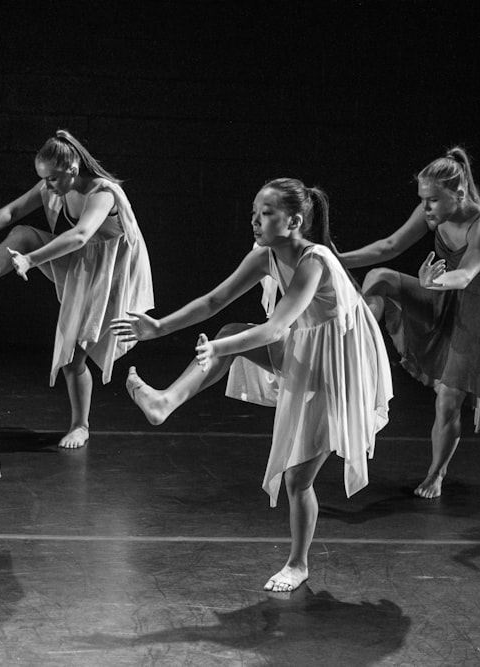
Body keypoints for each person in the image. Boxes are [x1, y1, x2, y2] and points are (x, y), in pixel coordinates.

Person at [110, 178, 392, 592]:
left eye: (266, 214)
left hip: (338, 365)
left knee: (297, 480)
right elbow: (212, 301)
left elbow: (275, 327)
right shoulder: (265, 256)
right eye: (254, 214)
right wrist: (158, 327)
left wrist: (220, 347)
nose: (256, 222)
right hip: (304, 346)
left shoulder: (315, 261)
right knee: (228, 327)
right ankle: (165, 402)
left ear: (294, 221)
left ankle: (298, 564)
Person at [338, 147, 480, 499]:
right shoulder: (433, 211)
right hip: (442, 294)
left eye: (432, 200)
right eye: (423, 200)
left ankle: (436, 475)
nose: (426, 208)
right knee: (380, 276)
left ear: (459, 195)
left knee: (448, 397)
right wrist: (336, 258)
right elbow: (389, 245)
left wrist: (432, 282)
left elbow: (464, 275)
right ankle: (354, 348)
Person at [0, 129, 154, 449]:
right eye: (44, 179)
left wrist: (31, 260)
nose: (46, 186)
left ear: (72, 170)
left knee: (73, 356)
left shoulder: (103, 191)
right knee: (22, 231)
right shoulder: (55, 185)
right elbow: (11, 212)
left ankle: (81, 425)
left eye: (51, 179)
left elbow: (80, 235)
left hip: (114, 273)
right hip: (86, 261)